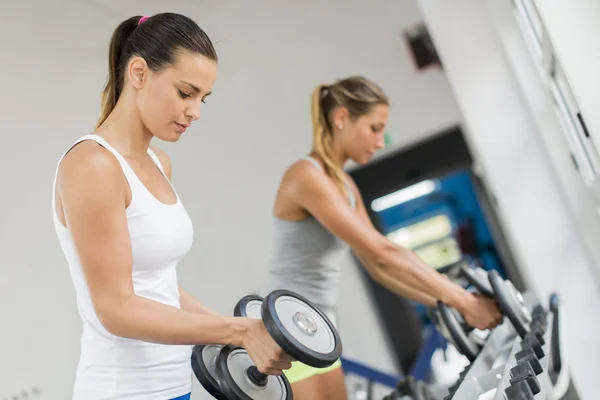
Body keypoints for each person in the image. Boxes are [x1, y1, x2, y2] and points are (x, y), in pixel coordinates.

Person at [52, 13, 292, 400]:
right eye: (186, 93)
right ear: (139, 73)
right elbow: (115, 308)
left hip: (175, 385)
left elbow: (158, 287)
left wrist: (240, 332)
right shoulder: (93, 164)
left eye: (202, 99)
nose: (195, 111)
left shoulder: (159, 163)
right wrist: (235, 331)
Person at [265, 76, 503, 400]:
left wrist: (449, 302)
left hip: (320, 329)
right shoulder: (306, 176)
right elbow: (382, 253)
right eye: (375, 128)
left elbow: (380, 270)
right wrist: (463, 302)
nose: (380, 142)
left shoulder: (346, 186)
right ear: (341, 118)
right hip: (289, 330)